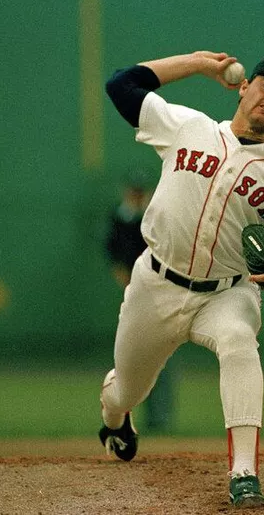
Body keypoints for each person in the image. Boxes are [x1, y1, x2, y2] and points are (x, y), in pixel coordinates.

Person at [97, 50, 264, 508]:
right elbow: (121, 85)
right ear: (244, 87)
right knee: (127, 389)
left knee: (240, 341)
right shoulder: (188, 127)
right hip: (155, 285)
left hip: (227, 292)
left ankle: (245, 474)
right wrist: (199, 63)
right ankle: (114, 415)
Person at [104, 179, 176, 432]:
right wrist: (121, 273)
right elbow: (111, 249)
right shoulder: (120, 216)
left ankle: (160, 418)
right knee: (129, 356)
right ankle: (124, 415)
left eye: (139, 191)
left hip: (158, 289)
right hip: (132, 290)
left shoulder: (154, 215)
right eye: (133, 190)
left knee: (161, 356)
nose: (136, 195)